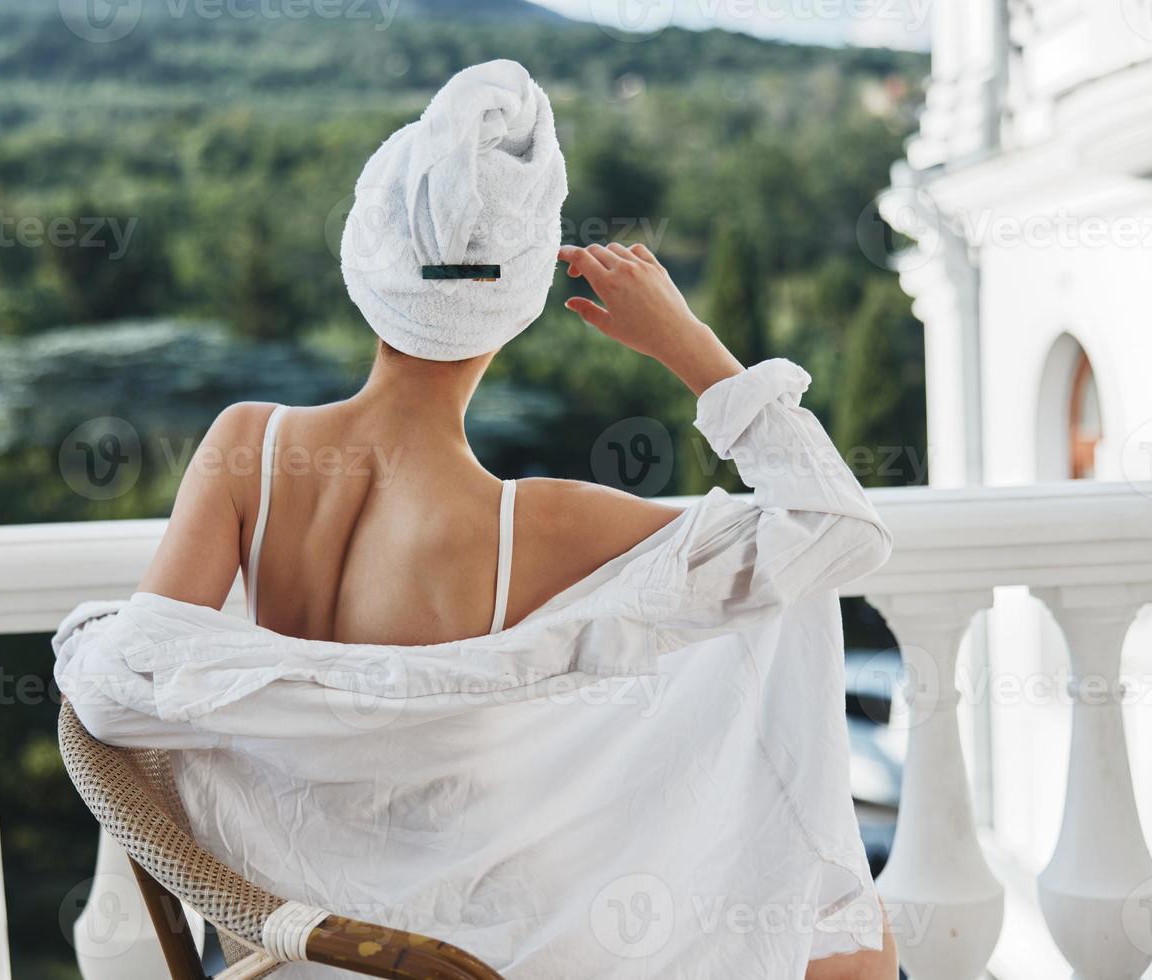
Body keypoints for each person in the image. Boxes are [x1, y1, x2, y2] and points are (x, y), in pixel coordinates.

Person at [56, 60, 897, 978]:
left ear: (365, 266)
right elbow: (833, 529)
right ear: (521, 303)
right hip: (469, 953)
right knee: (840, 936)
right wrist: (689, 345)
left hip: (298, 949)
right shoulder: (537, 528)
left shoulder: (244, 447)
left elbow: (123, 686)